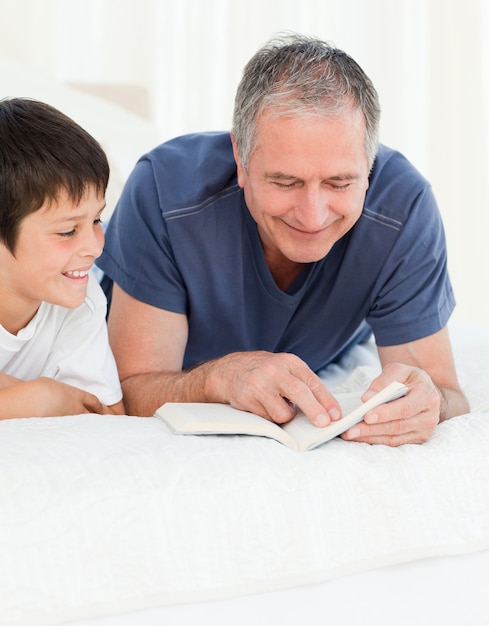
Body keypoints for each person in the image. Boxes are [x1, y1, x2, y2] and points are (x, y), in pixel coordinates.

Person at [98, 34, 468, 445]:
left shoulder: (404, 206)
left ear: (369, 165)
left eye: (339, 182)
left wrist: (429, 402)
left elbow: (444, 393)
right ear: (240, 158)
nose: (313, 216)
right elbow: (127, 391)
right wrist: (217, 378)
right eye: (285, 181)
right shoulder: (164, 190)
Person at [0, 97, 124, 419]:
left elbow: (108, 418)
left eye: (96, 221)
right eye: (68, 231)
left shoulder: (80, 297)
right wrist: (36, 398)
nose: (95, 248)